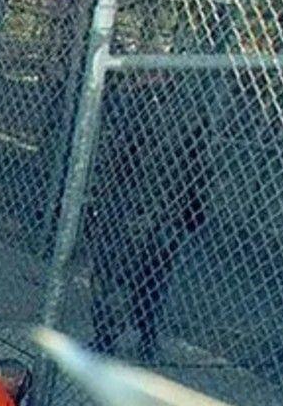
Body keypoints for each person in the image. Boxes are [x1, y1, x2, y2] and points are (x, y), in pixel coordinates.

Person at [84, 79, 210, 362]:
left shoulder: (139, 107)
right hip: (163, 209)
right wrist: (192, 211)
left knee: (119, 274)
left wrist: (100, 201)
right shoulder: (189, 111)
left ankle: (112, 335)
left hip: (135, 206)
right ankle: (143, 335)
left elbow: (119, 158)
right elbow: (199, 166)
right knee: (152, 277)